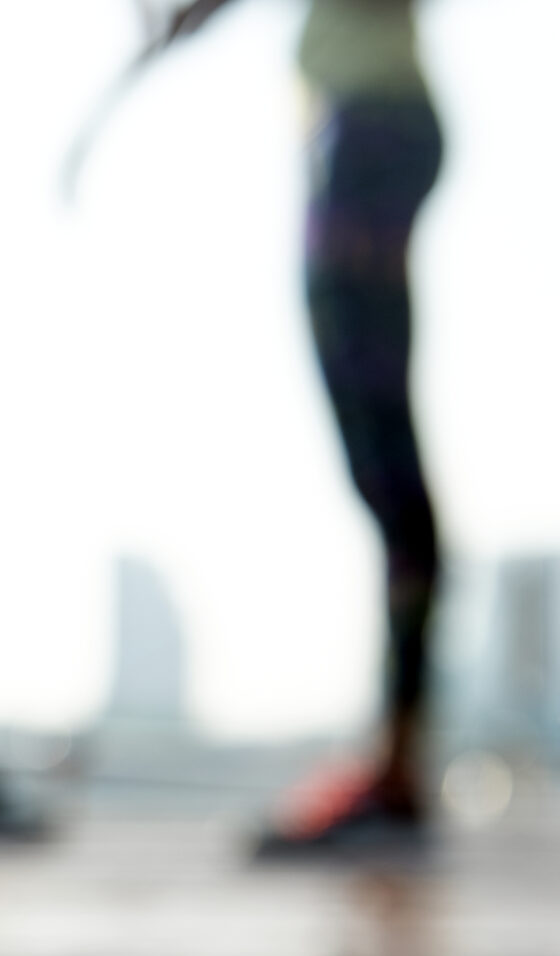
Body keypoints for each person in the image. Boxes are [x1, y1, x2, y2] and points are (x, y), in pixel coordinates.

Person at [145, 0, 447, 856]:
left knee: (388, 467)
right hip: (374, 127)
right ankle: (395, 764)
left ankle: (392, 774)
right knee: (387, 465)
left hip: (366, 130)